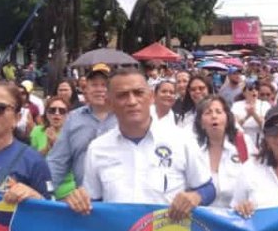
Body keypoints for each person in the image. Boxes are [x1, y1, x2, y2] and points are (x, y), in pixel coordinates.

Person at [75, 67, 214, 216]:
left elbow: (208, 188)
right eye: (122, 96)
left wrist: (196, 196)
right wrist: (80, 201)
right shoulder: (97, 149)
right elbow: (93, 202)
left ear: (151, 97)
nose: (132, 101)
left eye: (138, 93)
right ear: (110, 103)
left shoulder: (182, 140)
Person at [46, 64, 117, 204]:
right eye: (94, 85)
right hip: (84, 202)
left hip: (119, 203)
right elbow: (58, 161)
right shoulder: (73, 119)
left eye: (105, 85)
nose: (99, 89)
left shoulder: (125, 117)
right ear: (85, 89)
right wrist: (43, 192)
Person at [233, 103, 278, 217]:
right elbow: (234, 211)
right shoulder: (249, 170)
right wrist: (241, 209)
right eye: (273, 129)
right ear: (266, 138)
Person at [192, 95, 247, 209]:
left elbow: (255, 181)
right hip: (202, 219)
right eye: (208, 113)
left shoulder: (244, 144)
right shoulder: (192, 149)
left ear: (227, 119)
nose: (214, 116)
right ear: (201, 123)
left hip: (237, 218)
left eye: (218, 112)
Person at [232, 80, 269, 150]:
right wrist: (247, 116)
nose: (254, 91)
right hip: (242, 141)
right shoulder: (236, 105)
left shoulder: (265, 105)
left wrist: (254, 114)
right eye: (250, 89)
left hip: (259, 142)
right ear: (244, 92)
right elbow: (234, 125)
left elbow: (266, 125)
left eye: (256, 89)